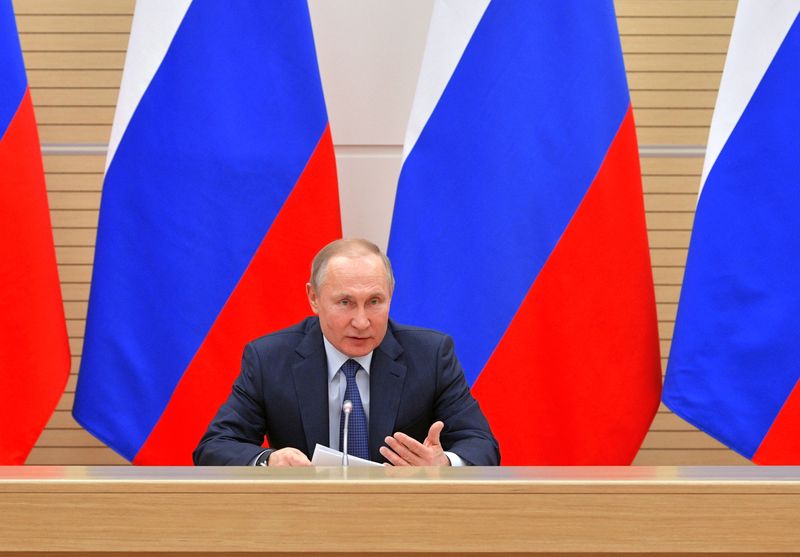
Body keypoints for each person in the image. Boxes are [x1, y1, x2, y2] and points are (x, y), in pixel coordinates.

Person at [193, 239, 499, 466]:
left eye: (375, 301)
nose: (362, 321)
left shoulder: (430, 355)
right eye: (345, 303)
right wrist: (268, 460)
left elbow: (482, 445)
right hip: (304, 527)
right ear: (314, 298)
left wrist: (442, 463)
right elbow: (215, 446)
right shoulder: (270, 358)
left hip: (401, 523)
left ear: (390, 295)